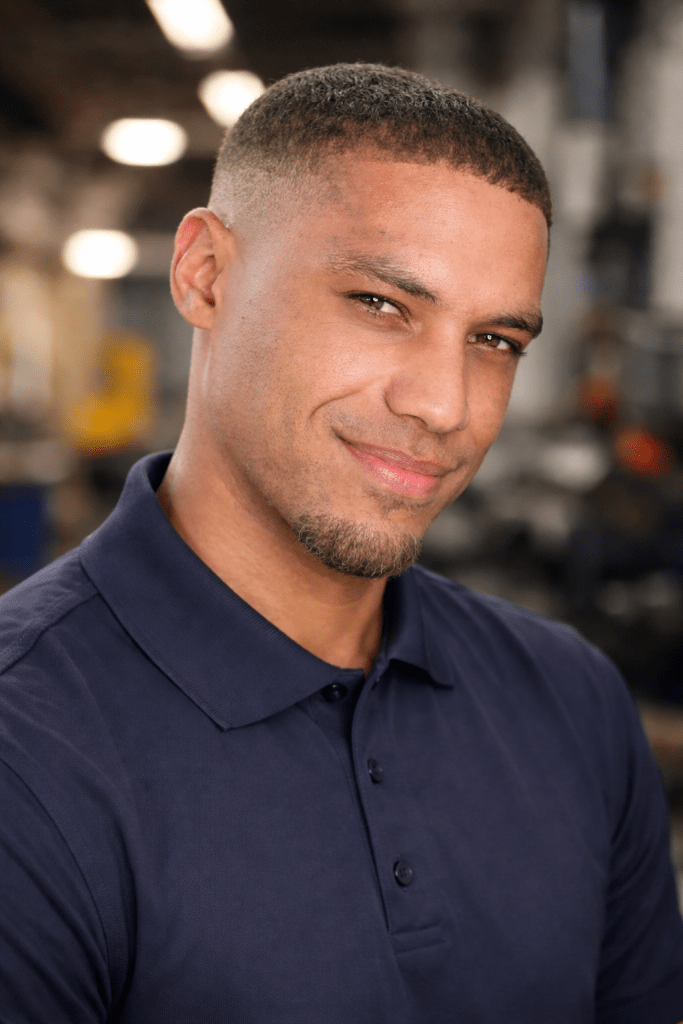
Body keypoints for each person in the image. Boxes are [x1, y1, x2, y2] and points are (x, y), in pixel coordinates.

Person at [1, 63, 682, 1024]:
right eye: (379, 304)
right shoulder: (25, 753)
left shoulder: (571, 702)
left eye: (494, 341)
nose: (443, 406)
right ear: (205, 275)